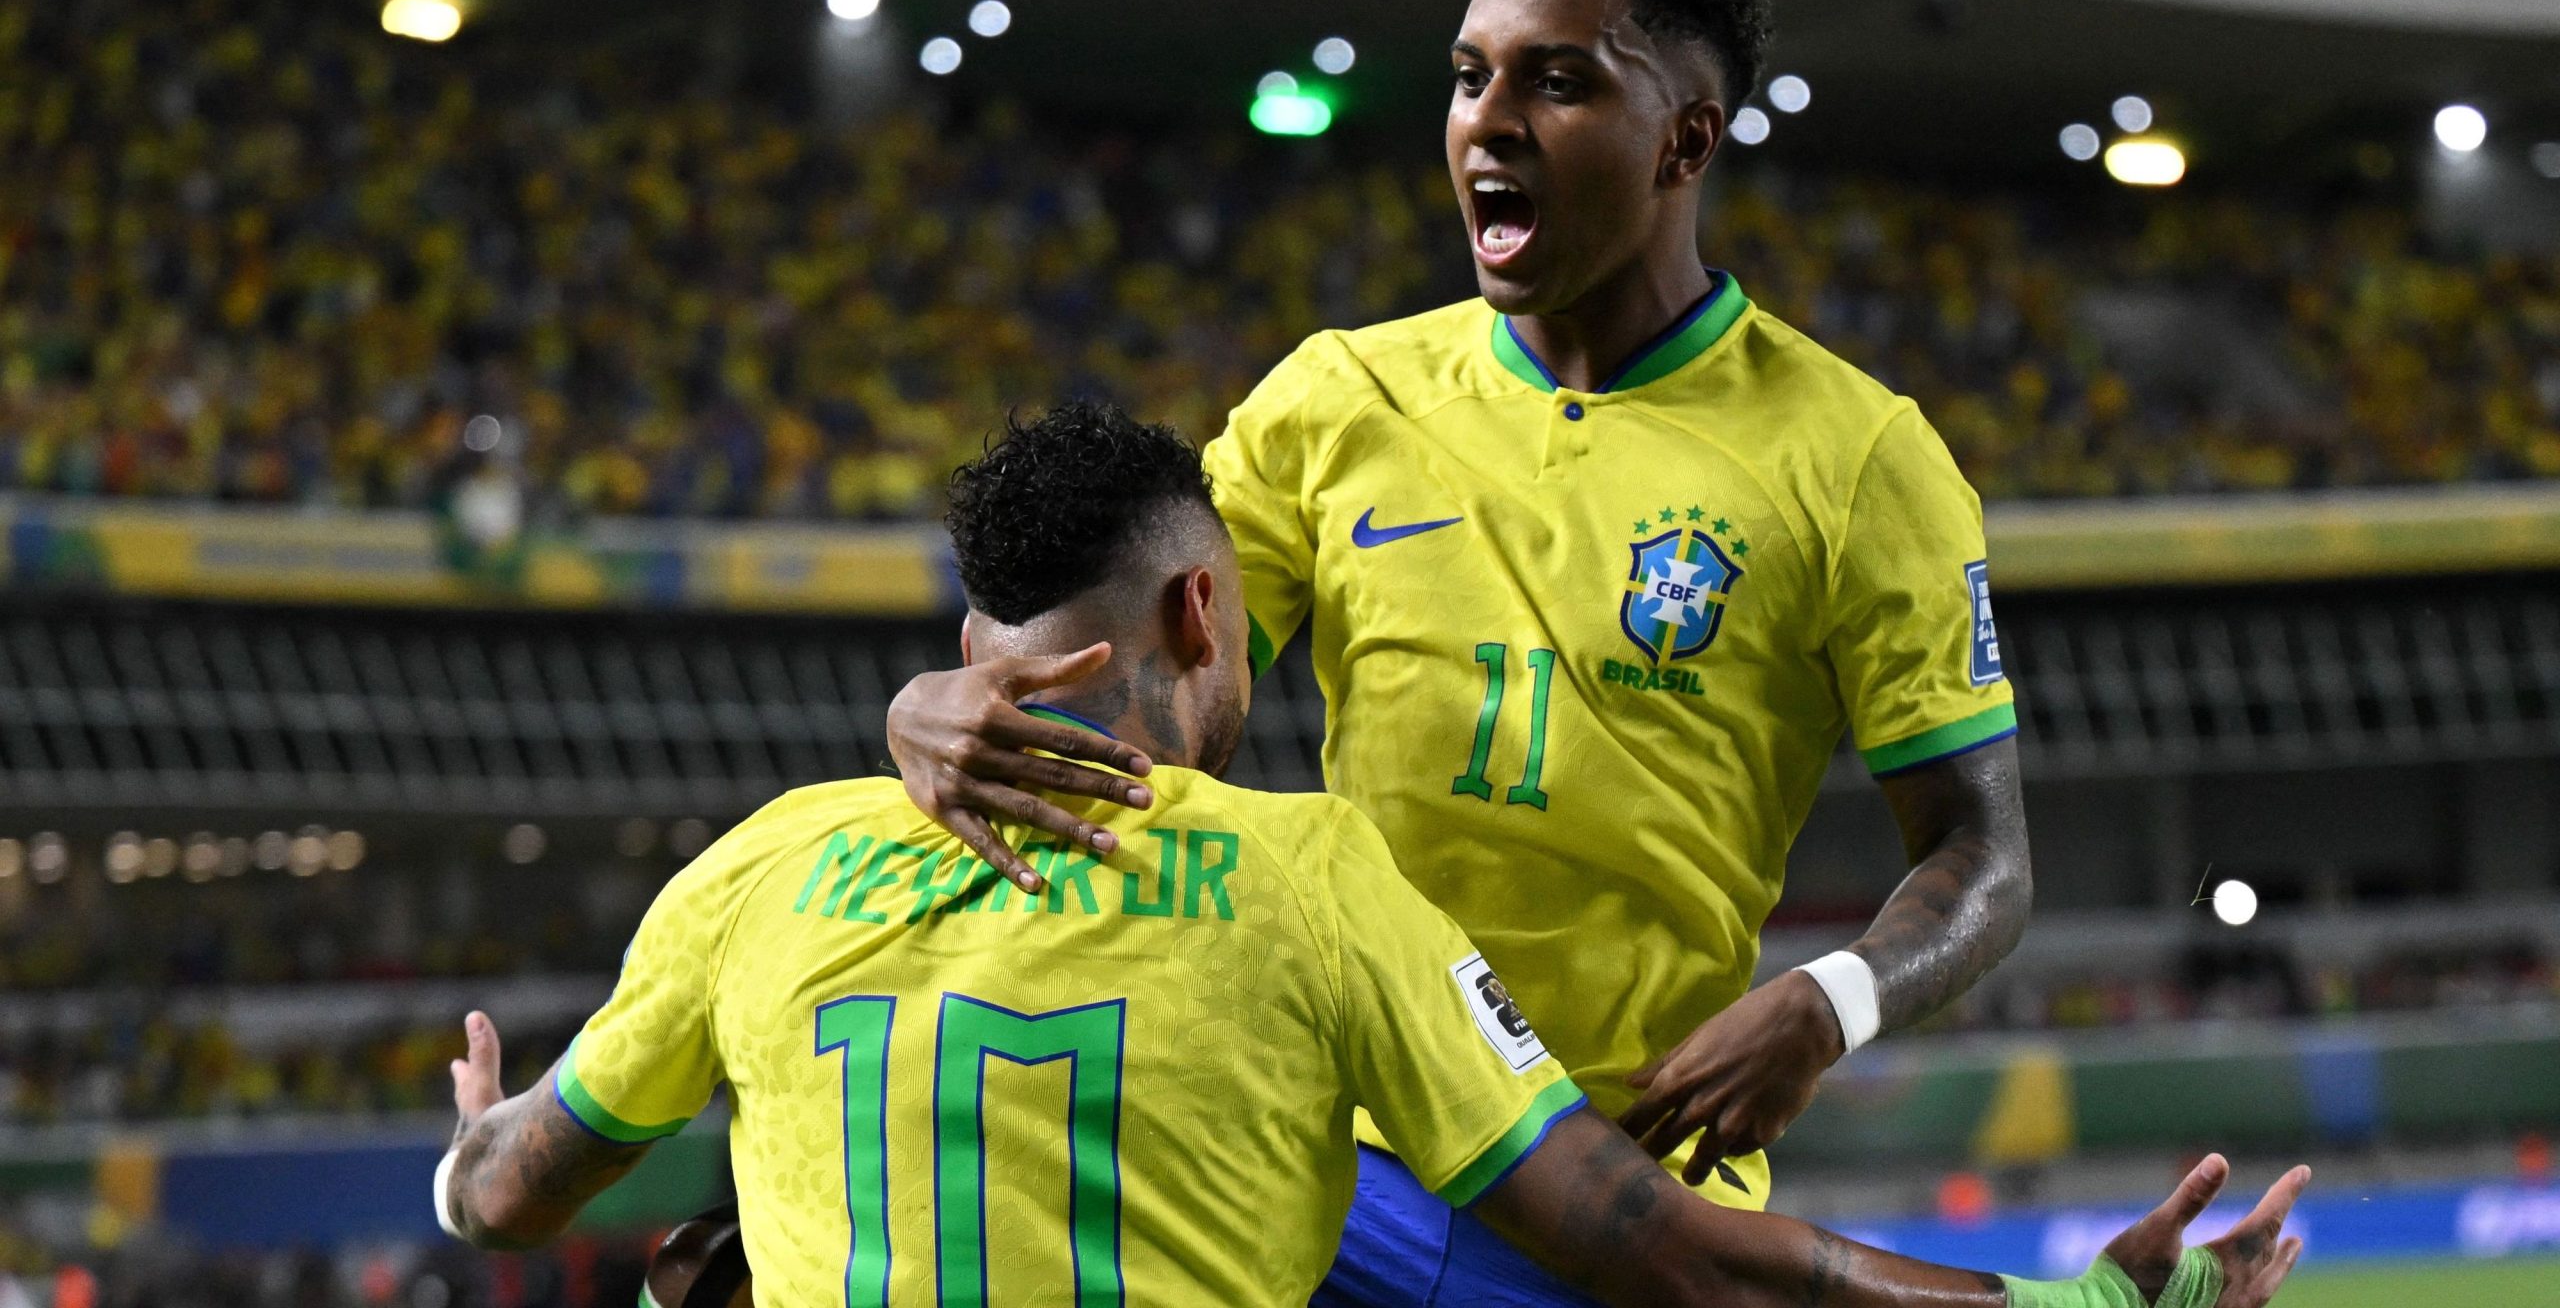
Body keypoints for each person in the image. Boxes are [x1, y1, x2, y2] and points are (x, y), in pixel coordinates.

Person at [437, 404, 2305, 1308]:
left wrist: (465, 1154)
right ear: (1203, 607)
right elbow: (1669, 1257)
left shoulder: (764, 867)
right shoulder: (1307, 879)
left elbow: (510, 1193)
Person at [887, 0, 2034, 1298]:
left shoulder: (1859, 458)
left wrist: (1828, 1000)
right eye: (1471, 75)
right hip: (1340, 1154)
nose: (1489, 120)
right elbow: (1134, 692)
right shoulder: (1337, 400)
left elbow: (1983, 856)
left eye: (1558, 82)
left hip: (1630, 1181)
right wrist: (955, 703)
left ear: (1685, 138)